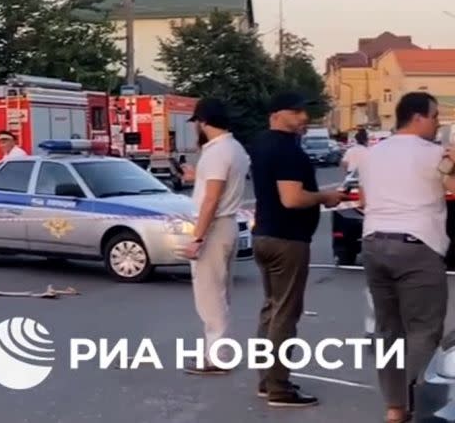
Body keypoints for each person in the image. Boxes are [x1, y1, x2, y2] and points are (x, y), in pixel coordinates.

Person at [357, 91, 454, 423]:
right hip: (417, 246)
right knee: (424, 330)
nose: (437, 122)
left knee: (388, 331)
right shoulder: (433, 154)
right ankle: (416, 399)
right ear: (417, 117)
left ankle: (394, 407)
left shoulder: (371, 154)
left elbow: (365, 200)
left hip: (373, 244)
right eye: (434, 116)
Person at [248, 91, 343, 407]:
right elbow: (292, 199)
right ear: (277, 113)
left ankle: (266, 380)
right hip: (287, 240)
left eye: (306, 111)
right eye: (297, 111)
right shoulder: (288, 150)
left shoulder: (261, 144)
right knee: (285, 314)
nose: (304, 117)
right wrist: (325, 197)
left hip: (264, 235)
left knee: (271, 309)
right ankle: (279, 387)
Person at [180, 99, 251, 375]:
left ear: (203, 122)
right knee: (220, 293)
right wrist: (196, 176)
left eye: (197, 123)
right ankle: (217, 353)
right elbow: (217, 185)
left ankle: (218, 357)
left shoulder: (217, 152)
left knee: (209, 296)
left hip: (214, 227)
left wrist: (197, 238)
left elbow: (211, 198)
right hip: (227, 224)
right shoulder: (235, 149)